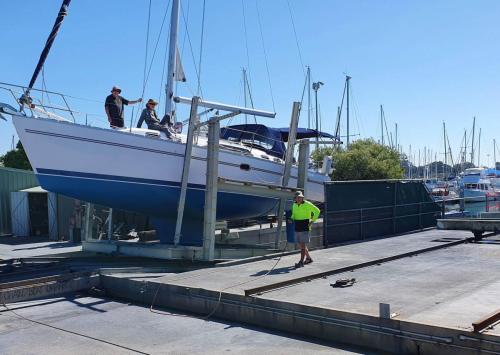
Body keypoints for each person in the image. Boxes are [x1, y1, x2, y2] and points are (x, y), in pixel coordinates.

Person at [289, 191, 320, 268]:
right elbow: (294, 215)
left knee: (302, 245)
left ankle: (301, 262)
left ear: (302, 197)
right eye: (298, 197)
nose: (299, 198)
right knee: (300, 244)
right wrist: (291, 219)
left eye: (301, 197)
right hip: (297, 226)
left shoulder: (307, 204)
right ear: (295, 198)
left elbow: (317, 211)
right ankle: (308, 258)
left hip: (305, 226)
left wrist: (312, 221)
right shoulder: (294, 205)